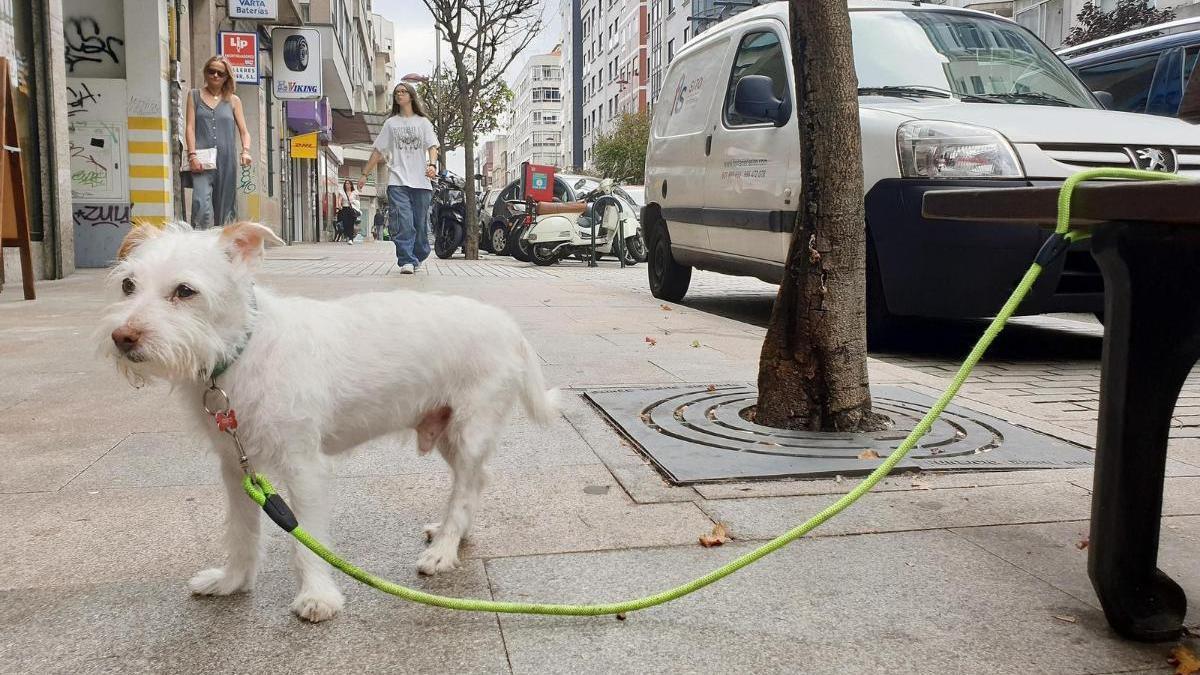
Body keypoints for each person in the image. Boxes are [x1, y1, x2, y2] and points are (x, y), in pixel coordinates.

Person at [358, 82, 439, 274]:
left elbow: (432, 147)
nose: (399, 95)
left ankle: (417, 255)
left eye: (403, 92)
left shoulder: (423, 122)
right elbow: (378, 151)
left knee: (419, 224)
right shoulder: (391, 123)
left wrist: (432, 165)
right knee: (404, 222)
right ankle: (406, 260)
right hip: (397, 181)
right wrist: (364, 174)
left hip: (421, 182)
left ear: (411, 96)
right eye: (396, 93)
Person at [186, 55, 252, 229]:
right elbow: (190, 127)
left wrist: (246, 151)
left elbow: (244, 131)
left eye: (220, 73)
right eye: (211, 71)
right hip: (201, 160)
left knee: (225, 208)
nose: (215, 75)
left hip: (226, 161)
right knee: (200, 204)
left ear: (226, 77)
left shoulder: (234, 101)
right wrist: (191, 155)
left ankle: (224, 250)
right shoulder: (194, 96)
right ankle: (200, 247)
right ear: (206, 73)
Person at [337, 179, 361, 245]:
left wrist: (356, 205)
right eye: (346, 183)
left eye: (348, 183)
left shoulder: (354, 192)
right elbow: (339, 200)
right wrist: (339, 205)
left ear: (351, 185)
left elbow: (358, 201)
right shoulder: (342, 192)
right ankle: (348, 235)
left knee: (351, 224)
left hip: (352, 209)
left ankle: (351, 239)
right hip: (344, 209)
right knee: (345, 224)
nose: (347, 185)